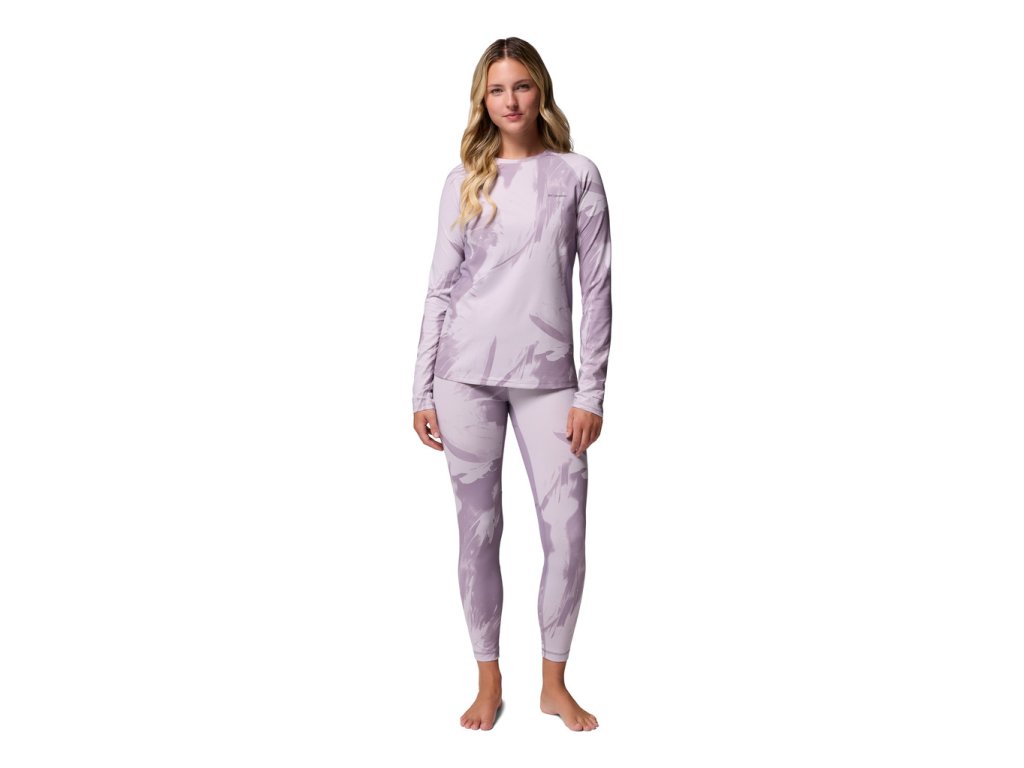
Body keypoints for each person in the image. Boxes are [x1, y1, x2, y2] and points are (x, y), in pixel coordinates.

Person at [411, 37, 611, 733]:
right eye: (497, 90)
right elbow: (440, 289)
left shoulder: (577, 176)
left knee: (567, 532)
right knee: (478, 532)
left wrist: (591, 393)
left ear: (540, 91)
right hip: (462, 375)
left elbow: (598, 287)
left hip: (549, 378)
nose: (511, 100)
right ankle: (488, 679)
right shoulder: (463, 180)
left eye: (521, 86)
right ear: (482, 100)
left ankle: (554, 683)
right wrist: (421, 390)